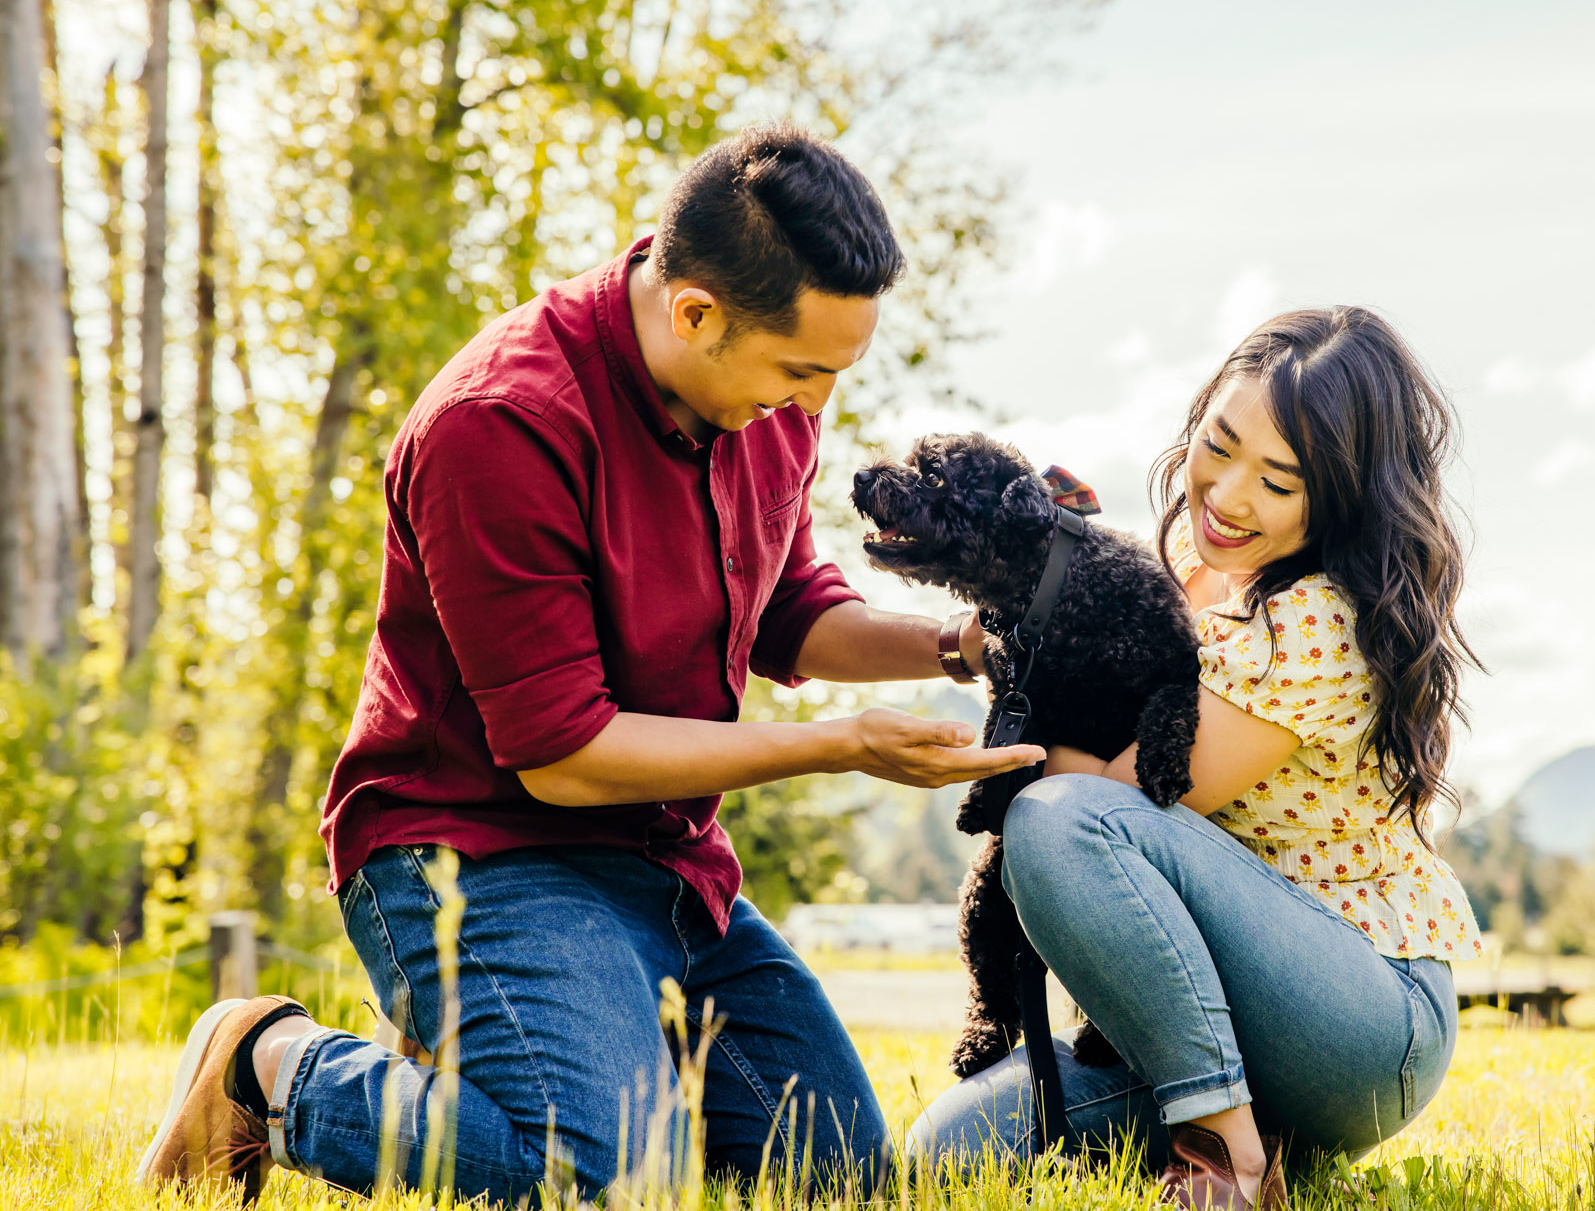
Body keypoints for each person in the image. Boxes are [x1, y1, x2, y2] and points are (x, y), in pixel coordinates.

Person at [138, 124, 1043, 1204]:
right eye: (801, 371)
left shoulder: (757, 396)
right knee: (610, 1180)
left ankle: (514, 1070)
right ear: (695, 313)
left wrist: (963, 644)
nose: (814, 409)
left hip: (663, 861)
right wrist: (840, 745)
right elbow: (561, 754)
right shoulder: (500, 426)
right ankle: (270, 1065)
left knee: (840, 1175)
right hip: (472, 853)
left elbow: (789, 609)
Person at [908, 308, 1487, 1211]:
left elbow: (1107, 796)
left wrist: (1005, 697)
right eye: (1219, 446)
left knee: (1056, 821)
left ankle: (1226, 1156)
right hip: (1216, 1019)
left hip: (1361, 1024)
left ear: (1337, 500)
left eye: (1279, 482)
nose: (1228, 495)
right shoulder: (1179, 567)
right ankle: (1253, 1118)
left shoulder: (1315, 621)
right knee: (945, 1149)